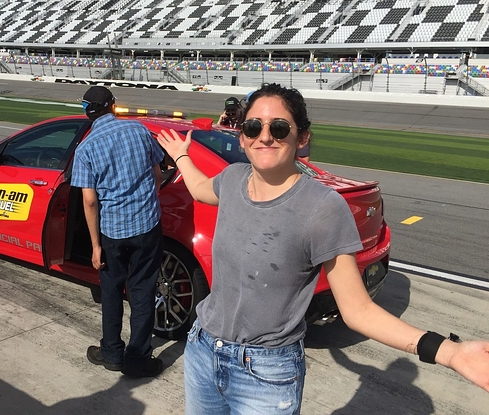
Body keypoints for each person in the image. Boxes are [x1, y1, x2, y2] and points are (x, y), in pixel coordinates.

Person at [156, 83, 489, 414]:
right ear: (241, 137)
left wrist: (449, 352)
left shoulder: (322, 208)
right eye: (253, 127)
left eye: (280, 128)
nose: (265, 136)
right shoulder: (231, 178)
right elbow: (200, 189)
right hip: (203, 350)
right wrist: (182, 155)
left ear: (302, 138)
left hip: (265, 372)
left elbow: (358, 310)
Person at [71, 86, 165, 378]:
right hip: (147, 226)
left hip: (112, 231)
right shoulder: (138, 130)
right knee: (142, 291)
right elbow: (158, 173)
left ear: (87, 111)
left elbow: (89, 200)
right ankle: (138, 359)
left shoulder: (85, 148)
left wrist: (95, 245)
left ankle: (112, 352)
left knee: (111, 291)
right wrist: (149, 202)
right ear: (113, 105)